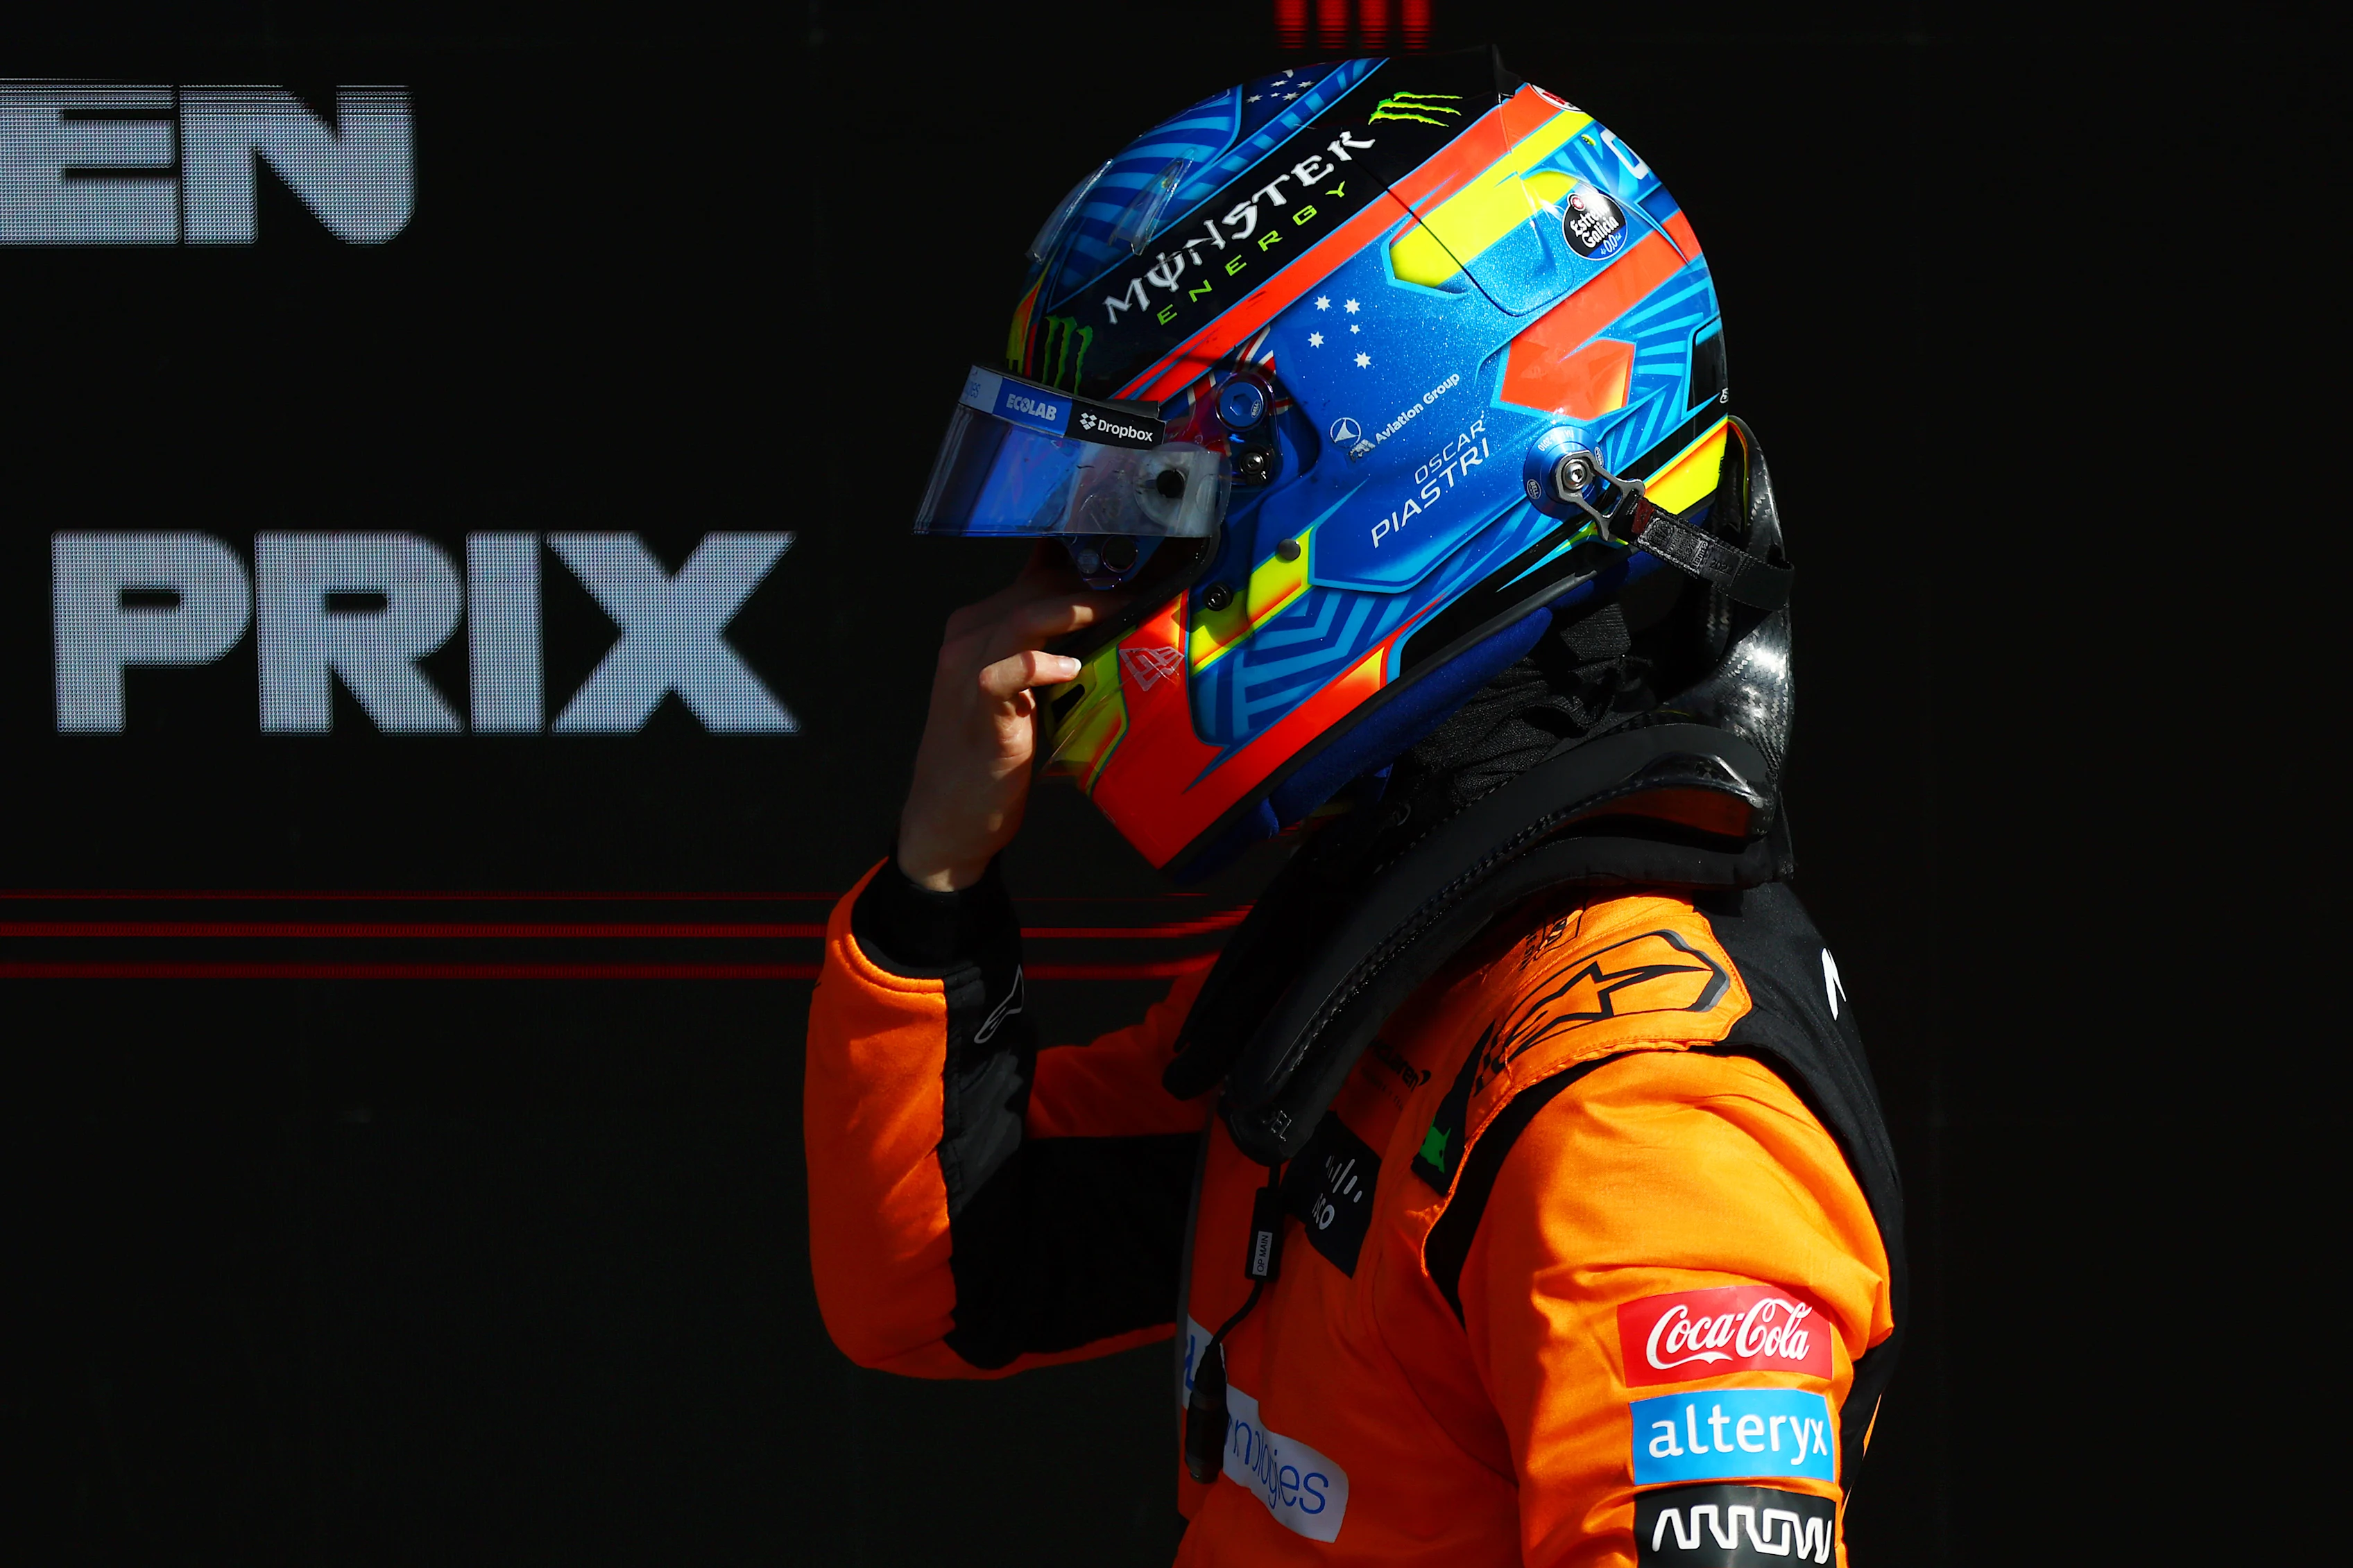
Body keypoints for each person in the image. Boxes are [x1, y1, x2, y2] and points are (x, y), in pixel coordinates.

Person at [806, 49, 1903, 1566]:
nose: (1047, 610)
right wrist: (937, 880)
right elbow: (936, 1277)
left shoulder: (1640, 1109)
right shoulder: (1398, 959)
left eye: (1127, 528)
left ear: (1385, 483)